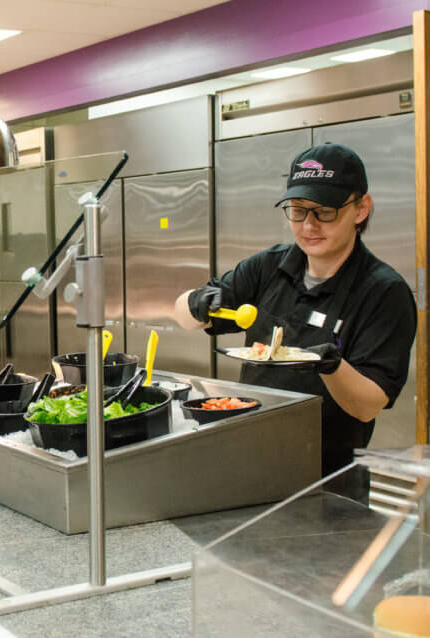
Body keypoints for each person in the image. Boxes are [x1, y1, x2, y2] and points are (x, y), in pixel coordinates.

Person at [174, 143, 416, 498]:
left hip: (328, 479)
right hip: (250, 459)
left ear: (361, 208)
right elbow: (182, 316)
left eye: (325, 211)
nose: (308, 226)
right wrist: (197, 303)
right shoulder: (269, 267)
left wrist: (329, 366)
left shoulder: (383, 292)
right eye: (297, 211)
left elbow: (368, 405)